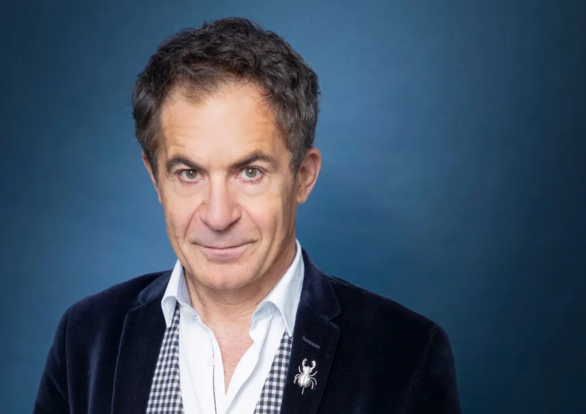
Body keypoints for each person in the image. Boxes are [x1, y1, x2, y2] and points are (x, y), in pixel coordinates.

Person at [33, 17, 461, 414]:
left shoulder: (406, 356)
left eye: (250, 172)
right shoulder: (86, 339)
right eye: (189, 173)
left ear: (303, 176)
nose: (218, 216)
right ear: (156, 179)